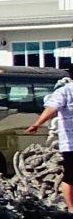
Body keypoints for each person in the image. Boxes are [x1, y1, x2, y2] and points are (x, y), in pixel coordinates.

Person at [24, 75, 73, 210]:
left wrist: (37, 124)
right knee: (70, 176)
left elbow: (51, 108)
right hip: (70, 143)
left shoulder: (63, 91)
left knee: (70, 177)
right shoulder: (65, 91)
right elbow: (52, 108)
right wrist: (37, 123)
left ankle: (72, 209)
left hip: (69, 143)